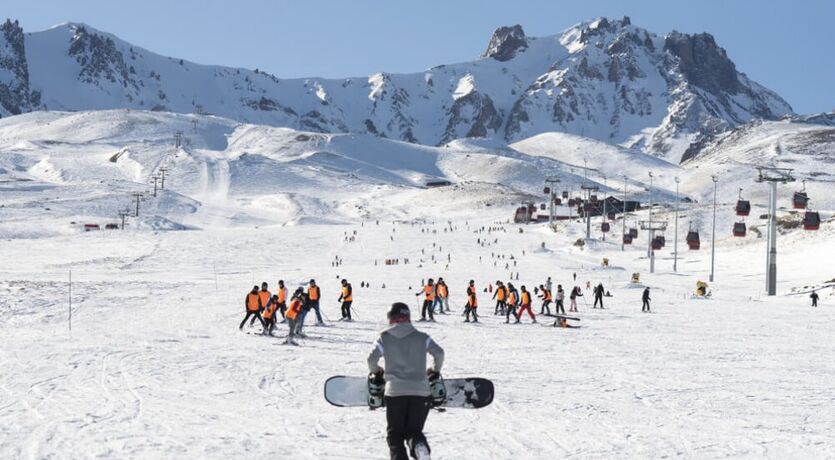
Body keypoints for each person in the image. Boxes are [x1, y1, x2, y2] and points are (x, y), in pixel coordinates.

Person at [367, 303, 444, 460]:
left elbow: (371, 359)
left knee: (394, 435)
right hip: (422, 392)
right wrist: (435, 370)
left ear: (390, 319)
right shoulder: (423, 337)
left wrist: (377, 371)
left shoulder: (384, 338)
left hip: (395, 393)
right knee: (414, 431)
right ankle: (419, 447)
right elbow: (439, 353)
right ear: (408, 318)